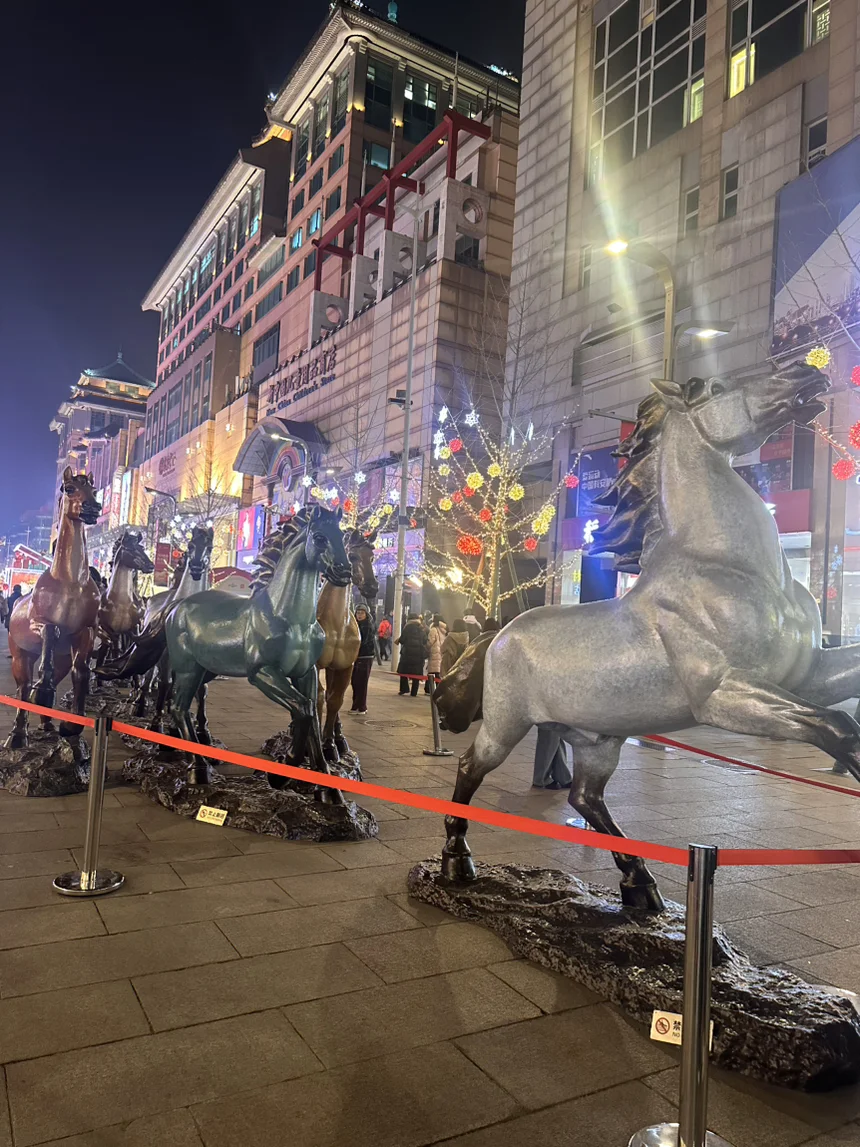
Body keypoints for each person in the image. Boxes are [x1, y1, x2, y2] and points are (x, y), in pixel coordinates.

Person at [349, 605, 375, 714]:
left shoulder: (367, 626)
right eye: (358, 613)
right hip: (356, 656)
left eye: (362, 613)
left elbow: (363, 641)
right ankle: (356, 705)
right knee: (355, 682)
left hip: (365, 656)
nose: (359, 615)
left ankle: (361, 707)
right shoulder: (356, 625)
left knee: (361, 682)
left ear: (366, 614)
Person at [397, 612, 428, 696]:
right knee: (416, 673)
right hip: (418, 654)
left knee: (403, 672)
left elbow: (402, 640)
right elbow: (425, 640)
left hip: (407, 654)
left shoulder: (406, 628)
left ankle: (404, 689)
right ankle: (414, 692)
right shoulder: (421, 628)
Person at [424, 614, 448, 692]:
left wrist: (426, 647)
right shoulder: (445, 630)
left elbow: (430, 642)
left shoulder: (433, 629)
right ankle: (438, 689)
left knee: (431, 672)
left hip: (434, 652)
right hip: (442, 652)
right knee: (438, 672)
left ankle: (428, 689)